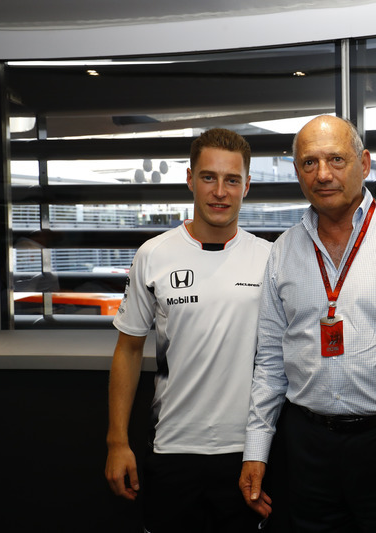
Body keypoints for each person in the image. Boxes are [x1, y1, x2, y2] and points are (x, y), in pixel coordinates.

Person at [239, 115, 376, 531]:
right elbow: (269, 363)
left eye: (336, 159)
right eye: (309, 163)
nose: (323, 174)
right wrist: (256, 451)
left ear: (365, 163)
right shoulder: (282, 251)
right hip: (307, 448)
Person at [105, 128, 272, 532]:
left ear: (246, 185)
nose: (220, 191)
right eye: (209, 177)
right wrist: (116, 442)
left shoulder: (270, 258)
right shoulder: (154, 254)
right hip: (172, 449)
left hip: (247, 453)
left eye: (232, 179)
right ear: (190, 179)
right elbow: (128, 350)